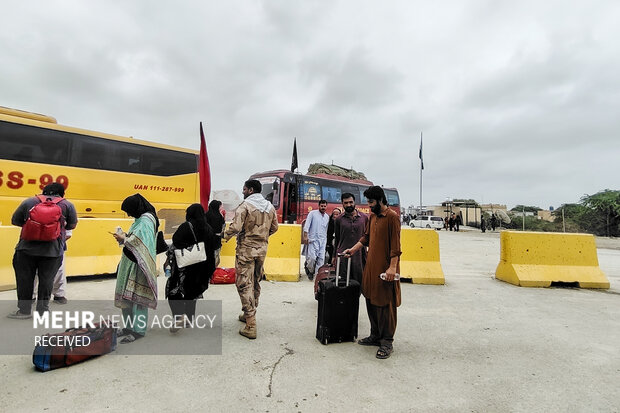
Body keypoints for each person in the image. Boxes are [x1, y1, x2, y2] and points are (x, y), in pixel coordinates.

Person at [343, 186, 401, 360]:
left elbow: (396, 247)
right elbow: (366, 238)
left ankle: (387, 342)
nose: (368, 205)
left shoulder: (392, 218)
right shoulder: (373, 216)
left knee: (385, 304)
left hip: (386, 268)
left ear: (380, 200)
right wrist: (353, 250)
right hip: (370, 267)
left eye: (371, 202)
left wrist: (392, 268)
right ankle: (375, 335)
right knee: (370, 299)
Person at [8, 183, 77, 319]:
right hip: (52, 251)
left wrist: (33, 226)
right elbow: (72, 225)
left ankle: (24, 311)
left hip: (26, 249)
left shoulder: (30, 201)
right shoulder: (67, 205)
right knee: (47, 280)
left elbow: (15, 220)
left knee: (24, 280)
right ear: (62, 193)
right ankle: (43, 311)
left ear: (43, 191)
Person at [223, 179, 278, 339]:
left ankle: (251, 324)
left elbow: (236, 227)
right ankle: (248, 313)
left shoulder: (245, 205)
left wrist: (224, 236)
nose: (243, 192)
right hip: (262, 250)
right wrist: (261, 237)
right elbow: (275, 227)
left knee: (243, 284)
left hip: (246, 250)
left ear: (251, 190)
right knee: (255, 281)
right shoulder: (270, 207)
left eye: (244, 189)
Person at [112, 194, 158, 343]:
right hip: (130, 261)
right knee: (127, 296)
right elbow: (136, 238)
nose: (129, 214)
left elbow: (140, 242)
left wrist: (123, 239)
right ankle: (129, 327)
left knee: (138, 297)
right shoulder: (141, 219)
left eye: (129, 211)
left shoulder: (145, 221)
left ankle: (138, 330)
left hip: (139, 263)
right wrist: (125, 237)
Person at [167, 204, 217, 333]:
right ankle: (188, 320)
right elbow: (212, 249)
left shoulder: (186, 226)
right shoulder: (208, 228)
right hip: (200, 267)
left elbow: (176, 241)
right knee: (192, 292)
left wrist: (169, 258)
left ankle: (179, 317)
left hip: (185, 266)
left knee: (174, 290)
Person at [333, 193, 368, 285]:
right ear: (342, 204)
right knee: (343, 284)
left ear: (354, 202)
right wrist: (334, 256)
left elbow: (367, 237)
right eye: (346, 203)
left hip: (360, 256)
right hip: (343, 256)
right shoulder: (339, 219)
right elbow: (337, 239)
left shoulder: (364, 218)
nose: (349, 205)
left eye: (351, 202)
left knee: (360, 283)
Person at [32, 229, 72, 304]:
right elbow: (69, 232)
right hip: (55, 245)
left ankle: (31, 297)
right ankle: (59, 295)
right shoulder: (63, 217)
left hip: (34, 244)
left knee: (32, 270)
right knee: (58, 270)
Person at [303, 200, 329, 280]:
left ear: (326, 207)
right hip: (312, 240)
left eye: (324, 206)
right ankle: (309, 268)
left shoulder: (327, 217)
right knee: (312, 258)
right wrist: (305, 236)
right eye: (322, 206)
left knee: (321, 260)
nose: (323, 207)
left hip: (322, 240)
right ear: (319, 206)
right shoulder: (312, 213)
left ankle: (317, 278)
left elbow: (326, 229)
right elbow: (307, 225)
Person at [205, 199, 226, 268]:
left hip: (207, 240)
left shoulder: (206, 215)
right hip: (217, 239)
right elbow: (223, 226)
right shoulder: (220, 216)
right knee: (215, 258)